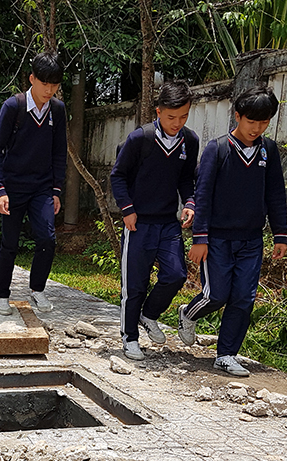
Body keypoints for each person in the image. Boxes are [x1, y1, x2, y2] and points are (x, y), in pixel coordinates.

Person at [177, 85, 287, 377]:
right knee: (217, 295)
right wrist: (199, 239)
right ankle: (188, 313)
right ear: (238, 116)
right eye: (252, 121)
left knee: (243, 298)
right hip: (217, 239)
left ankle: (226, 354)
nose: (257, 128)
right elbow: (202, 193)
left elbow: (276, 193)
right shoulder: (218, 149)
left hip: (251, 240)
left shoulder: (269, 151)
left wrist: (280, 234)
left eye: (264, 122)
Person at [109, 81, 199, 360]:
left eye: (183, 116)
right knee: (134, 284)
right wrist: (127, 209)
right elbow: (118, 176)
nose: (177, 123)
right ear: (158, 111)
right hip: (137, 224)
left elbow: (186, 178)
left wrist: (191, 203)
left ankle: (149, 314)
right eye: (171, 117)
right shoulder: (140, 139)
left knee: (176, 274)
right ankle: (129, 337)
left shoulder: (190, 141)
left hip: (168, 223)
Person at [0, 52, 67, 315]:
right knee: (9, 243)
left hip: (42, 188)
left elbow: (59, 152)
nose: (49, 90)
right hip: (12, 188)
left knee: (47, 238)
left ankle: (37, 290)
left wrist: (56, 190)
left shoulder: (58, 110)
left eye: (54, 85)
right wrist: (0, 190)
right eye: (44, 83)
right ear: (32, 78)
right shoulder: (13, 107)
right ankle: (1, 296)